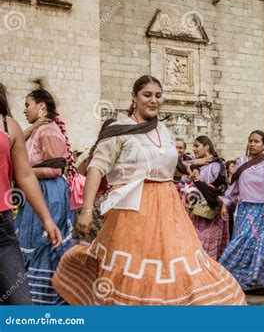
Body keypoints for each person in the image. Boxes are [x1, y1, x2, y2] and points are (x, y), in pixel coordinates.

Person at [51, 75, 245, 305]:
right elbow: (96, 168)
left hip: (170, 211)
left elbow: (170, 166)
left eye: (158, 96)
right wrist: (85, 211)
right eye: (147, 95)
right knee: (131, 271)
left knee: (177, 268)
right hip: (132, 211)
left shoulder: (162, 129)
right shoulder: (119, 129)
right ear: (134, 97)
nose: (153, 100)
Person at [14, 81, 76, 305]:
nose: (24, 109)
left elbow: (56, 169)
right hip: (36, 192)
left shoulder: (49, 130)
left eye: (27, 104)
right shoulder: (39, 130)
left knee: (44, 243)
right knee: (32, 240)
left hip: (48, 194)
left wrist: (25, 172)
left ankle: (47, 297)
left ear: (41, 107)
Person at [0, 82, 61, 305]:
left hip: (2, 229)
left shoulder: (8, 126)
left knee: (21, 304)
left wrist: (47, 219)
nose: (26, 109)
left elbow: (24, 175)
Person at [219, 130, 264, 291]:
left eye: (256, 141)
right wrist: (225, 204)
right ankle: (230, 275)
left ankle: (259, 282)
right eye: (250, 141)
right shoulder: (241, 162)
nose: (252, 144)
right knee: (241, 241)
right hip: (246, 210)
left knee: (262, 245)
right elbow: (234, 189)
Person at [187, 136, 229, 260]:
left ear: (206, 147)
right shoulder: (194, 163)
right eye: (193, 146)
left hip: (210, 210)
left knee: (207, 244)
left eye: (197, 146)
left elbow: (219, 187)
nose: (194, 149)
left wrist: (198, 182)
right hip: (195, 211)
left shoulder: (216, 165)